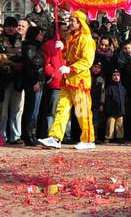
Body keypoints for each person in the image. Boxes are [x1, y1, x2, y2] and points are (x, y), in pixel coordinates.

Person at [41, 10, 95, 150]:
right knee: (62, 109)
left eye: (73, 21)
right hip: (68, 79)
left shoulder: (86, 39)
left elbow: (87, 61)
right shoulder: (71, 38)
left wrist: (70, 69)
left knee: (82, 111)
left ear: (80, 23)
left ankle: (88, 139)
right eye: (70, 20)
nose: (70, 23)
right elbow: (69, 55)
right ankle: (55, 137)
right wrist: (63, 49)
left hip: (80, 80)